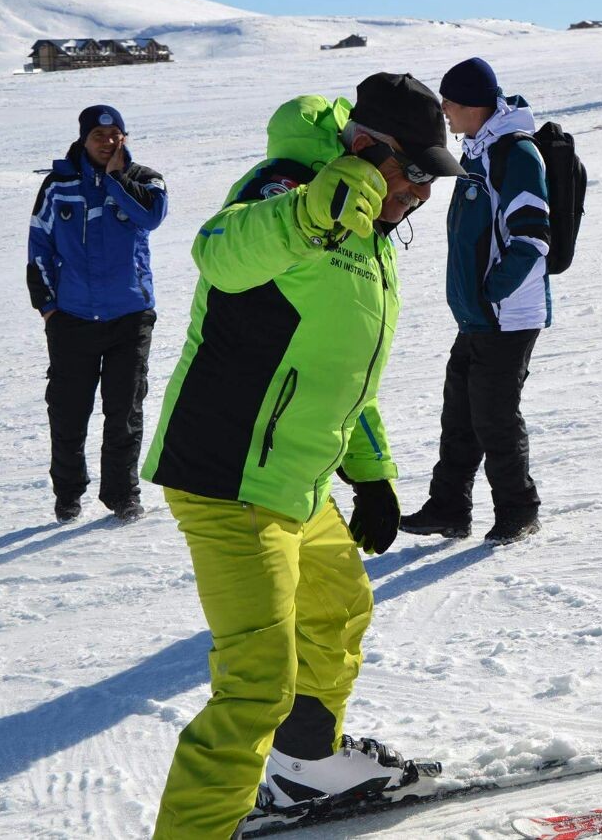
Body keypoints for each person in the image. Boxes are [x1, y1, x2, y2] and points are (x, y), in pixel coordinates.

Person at [141, 72, 465, 839]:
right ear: (366, 147)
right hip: (230, 477)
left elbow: (340, 369)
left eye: (433, 177)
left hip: (297, 477)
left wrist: (373, 474)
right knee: (254, 686)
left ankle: (304, 764)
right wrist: (305, 213)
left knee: (339, 603)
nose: (422, 192)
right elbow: (219, 252)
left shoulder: (373, 233)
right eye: (415, 171)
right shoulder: (290, 190)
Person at [399, 57, 550, 545]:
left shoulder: (515, 154)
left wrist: (492, 293)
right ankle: (449, 507)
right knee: (459, 411)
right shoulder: (481, 149)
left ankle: (518, 508)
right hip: (480, 316)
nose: (443, 110)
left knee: (494, 417)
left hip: (507, 316)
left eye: (448, 101)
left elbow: (533, 238)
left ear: (471, 105)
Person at [27, 105, 168, 523]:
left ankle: (122, 494)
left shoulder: (145, 180)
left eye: (115, 135)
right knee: (68, 412)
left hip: (130, 315)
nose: (107, 142)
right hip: (71, 319)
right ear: (84, 139)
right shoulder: (59, 184)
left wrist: (115, 179)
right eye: (98, 136)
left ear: (124, 137)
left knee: (124, 411)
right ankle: (68, 494)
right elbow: (39, 247)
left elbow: (152, 216)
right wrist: (48, 309)